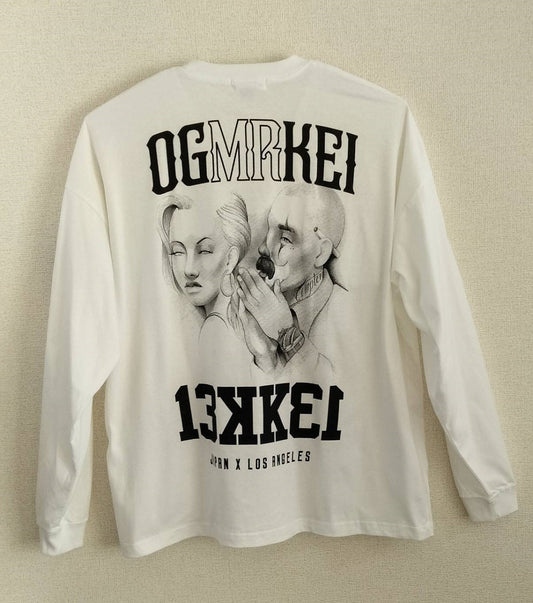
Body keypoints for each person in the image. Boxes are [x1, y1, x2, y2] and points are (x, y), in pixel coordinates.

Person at [234, 182, 349, 381]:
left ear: (320, 253)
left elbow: (342, 390)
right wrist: (265, 356)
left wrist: (286, 332)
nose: (263, 248)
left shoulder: (347, 313)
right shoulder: (249, 315)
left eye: (285, 238)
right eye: (269, 231)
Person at [157, 191, 252, 381]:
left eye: (205, 251)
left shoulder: (215, 329)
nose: (189, 269)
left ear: (231, 258)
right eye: (177, 252)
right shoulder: (241, 322)